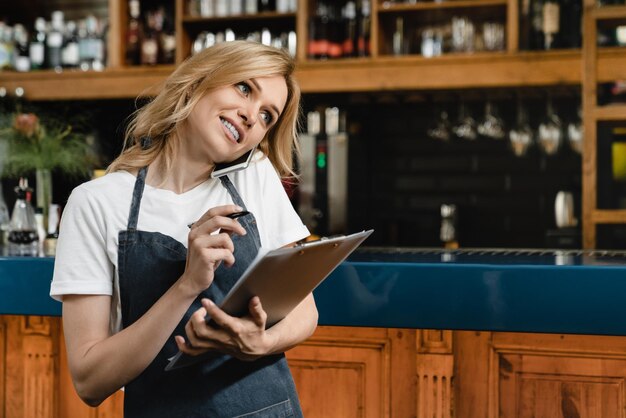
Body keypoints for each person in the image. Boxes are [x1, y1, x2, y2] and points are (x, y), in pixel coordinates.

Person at [50, 40, 318, 418]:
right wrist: (187, 285)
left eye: (266, 116)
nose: (250, 116)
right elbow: (90, 382)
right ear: (198, 80)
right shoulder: (96, 203)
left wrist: (259, 342)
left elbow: (306, 311)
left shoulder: (255, 176)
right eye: (244, 88)